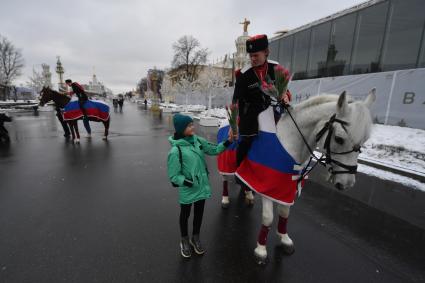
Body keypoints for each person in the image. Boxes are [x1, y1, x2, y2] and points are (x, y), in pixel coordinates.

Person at [167, 114, 233, 258]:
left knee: (199, 214)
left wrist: (228, 142)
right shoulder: (175, 150)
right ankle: (184, 240)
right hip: (188, 190)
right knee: (185, 215)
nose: (193, 127)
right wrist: (189, 182)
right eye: (189, 125)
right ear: (181, 129)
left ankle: (195, 237)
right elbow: (174, 176)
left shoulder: (198, 141)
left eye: (192, 124)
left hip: (202, 187)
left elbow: (214, 150)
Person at [232, 34, 291, 168]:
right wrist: (234, 123)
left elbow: (285, 90)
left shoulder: (275, 68)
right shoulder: (242, 74)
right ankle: (239, 169)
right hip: (251, 114)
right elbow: (236, 100)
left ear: (266, 52)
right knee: (246, 140)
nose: (252, 59)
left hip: (274, 110)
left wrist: (285, 96)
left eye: (256, 55)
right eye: (250, 56)